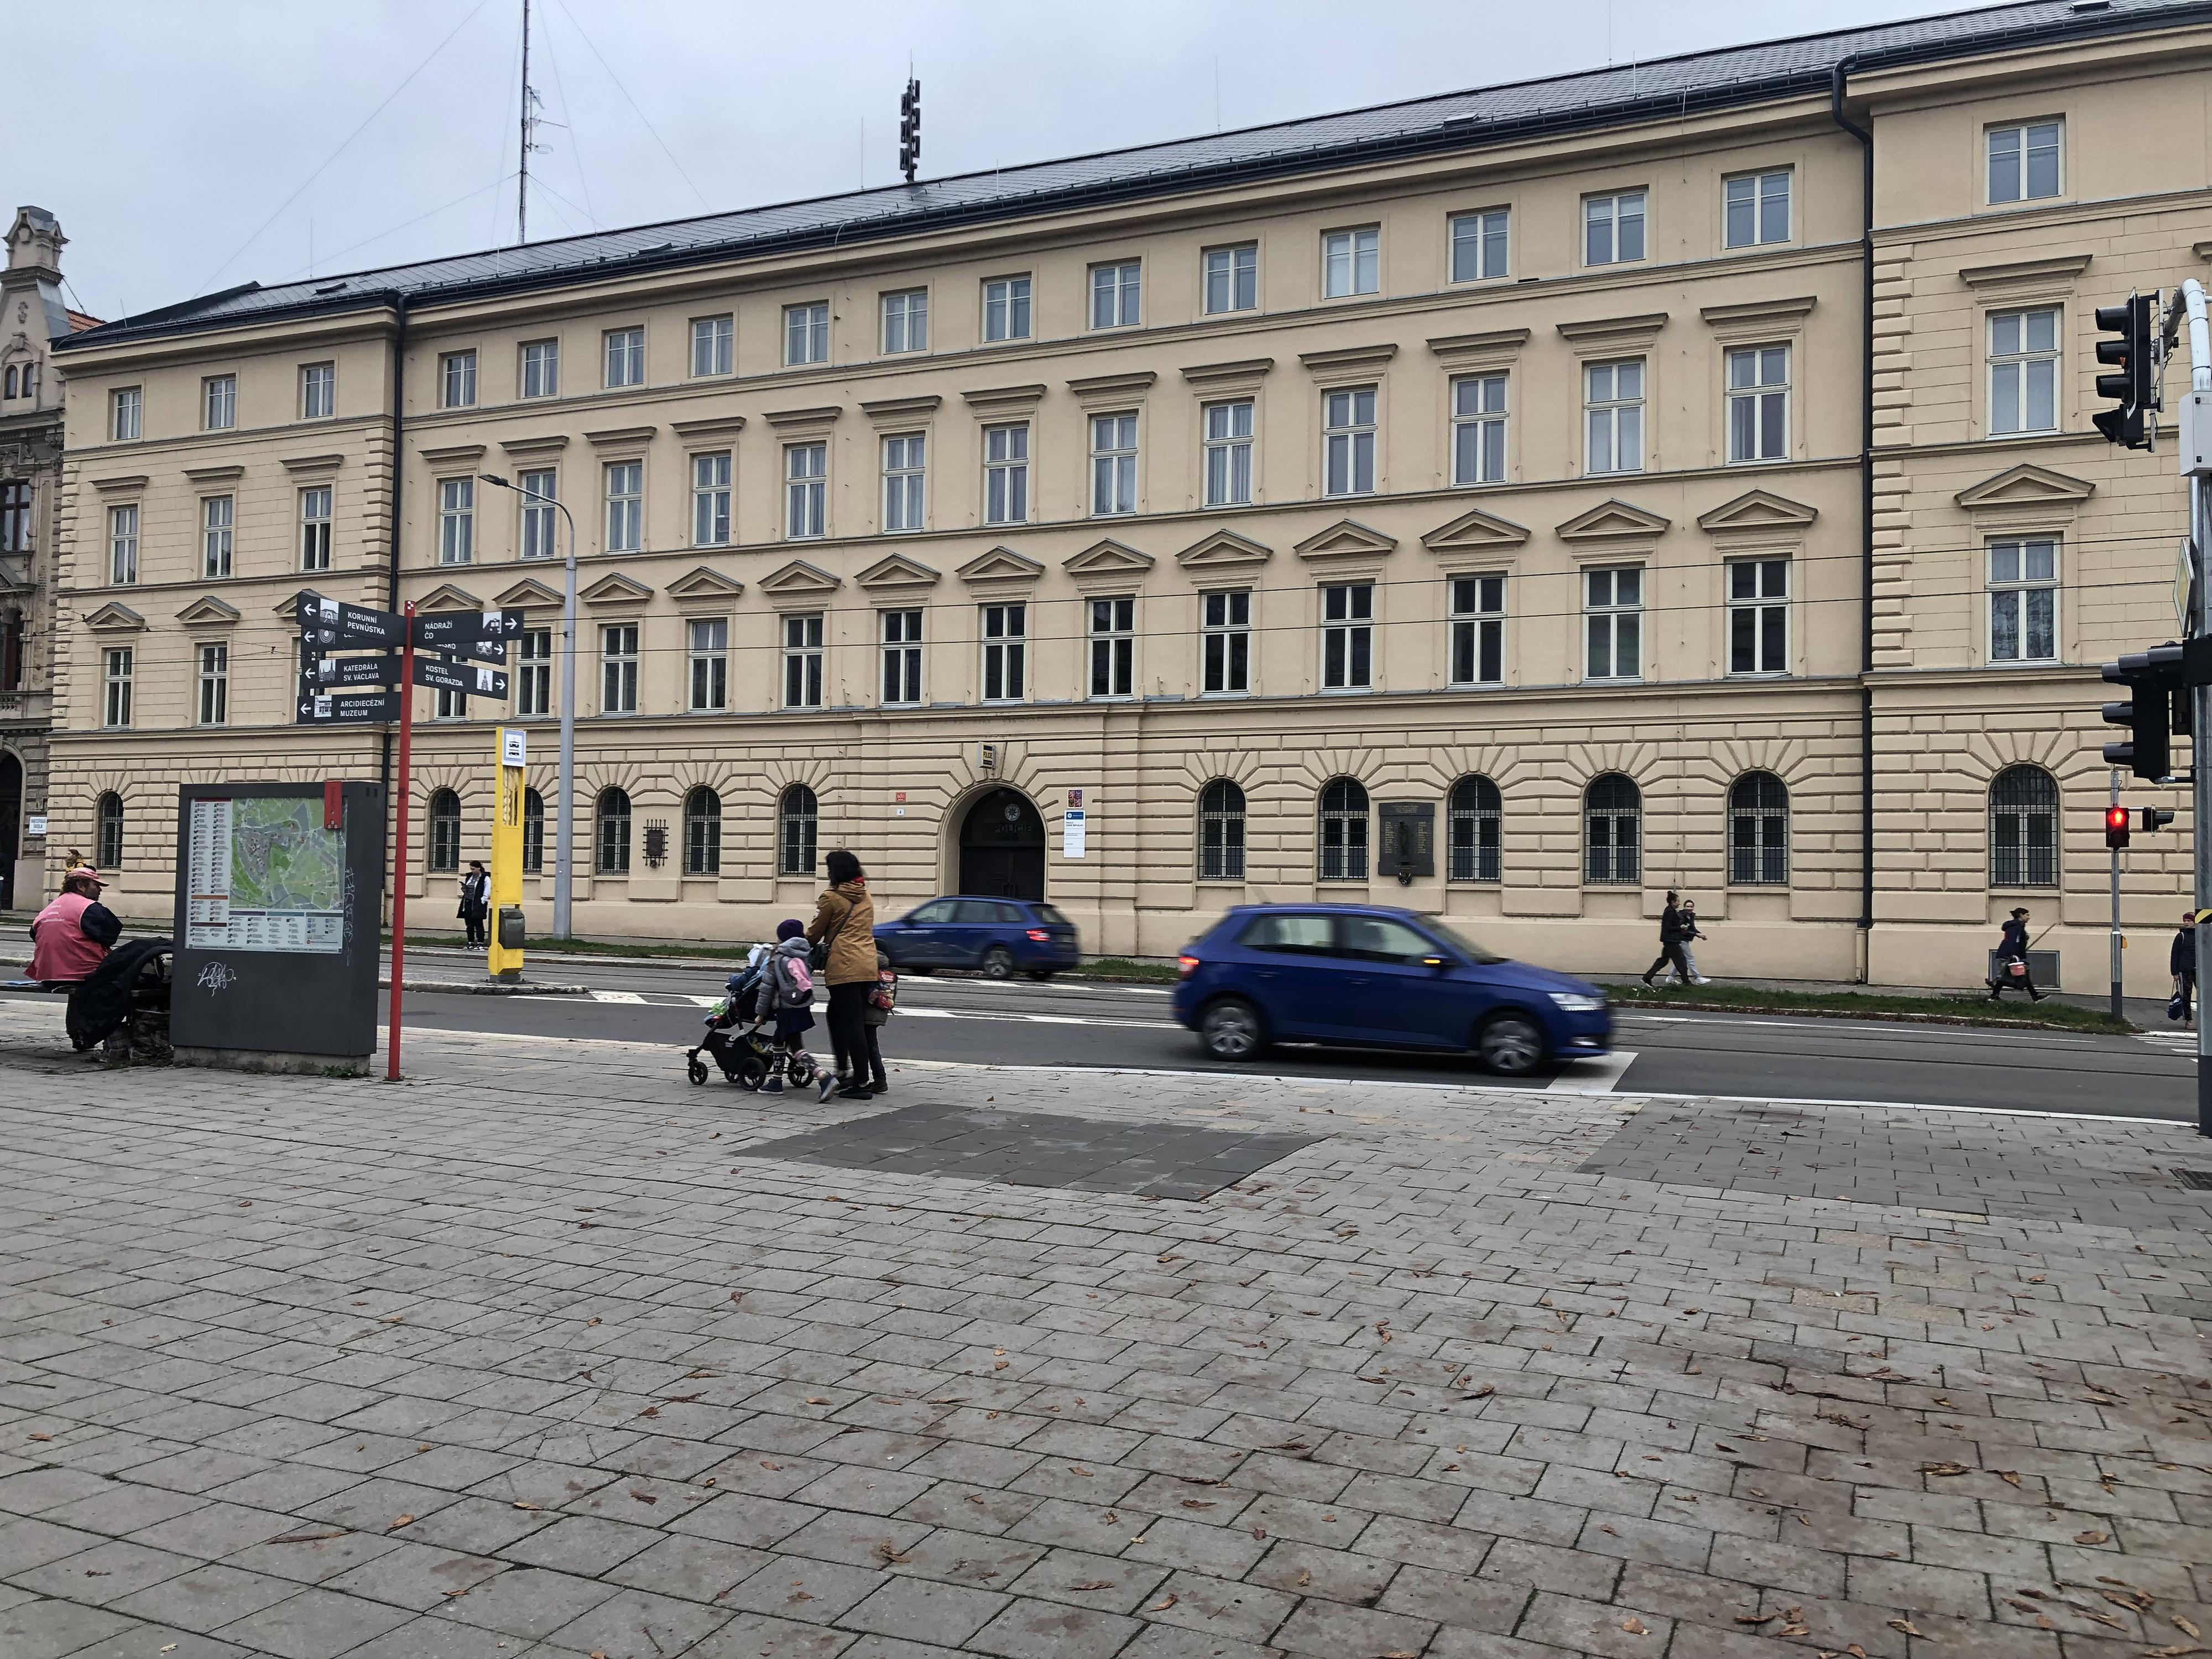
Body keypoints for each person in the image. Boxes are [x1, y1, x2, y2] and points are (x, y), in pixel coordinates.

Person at [807, 849, 878, 1102]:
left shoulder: (831, 898)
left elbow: (815, 933)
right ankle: (846, 1071)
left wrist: (793, 943)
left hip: (845, 965)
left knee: (851, 1023)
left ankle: (861, 1082)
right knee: (838, 1016)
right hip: (867, 963)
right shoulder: (865, 895)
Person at [30, 866, 121, 985]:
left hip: (47, 976)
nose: (100, 890)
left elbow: (34, 934)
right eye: (96, 885)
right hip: (85, 974)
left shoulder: (48, 909)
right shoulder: (89, 908)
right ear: (80, 886)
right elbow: (111, 935)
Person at [758, 920, 818, 1094]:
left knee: (795, 1047)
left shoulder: (778, 957)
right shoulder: (804, 954)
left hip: (786, 1008)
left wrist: (760, 1014)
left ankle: (823, 1076)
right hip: (801, 1006)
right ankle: (776, 1081)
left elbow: (767, 988)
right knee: (782, 1041)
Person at [1989, 906, 2045, 1001]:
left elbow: (2017, 942)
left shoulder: (2018, 926)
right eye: (2027, 915)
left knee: (2025, 978)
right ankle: (1994, 996)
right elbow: (2014, 941)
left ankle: (2035, 997)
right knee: (2019, 982)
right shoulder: (2017, 926)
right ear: (2021, 915)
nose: (2028, 917)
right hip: (2010, 957)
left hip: (2014, 956)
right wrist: (2013, 956)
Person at [862, 946, 897, 1094]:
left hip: (866, 1013)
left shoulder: (869, 969)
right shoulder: (888, 972)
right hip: (881, 1012)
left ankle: (879, 1079)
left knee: (869, 1047)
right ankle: (878, 1078)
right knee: (871, 1045)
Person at [1640, 890, 1692, 988]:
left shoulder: (1670, 911)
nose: (1679, 903)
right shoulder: (1670, 912)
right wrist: (1680, 927)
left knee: (1663, 961)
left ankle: (1647, 978)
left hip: (1670, 940)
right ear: (1673, 902)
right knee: (1681, 961)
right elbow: (1668, 928)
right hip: (1671, 941)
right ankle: (1686, 982)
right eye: (1678, 901)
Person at [1675, 898, 1712, 986]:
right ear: (1684, 907)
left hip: (1685, 939)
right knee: (1690, 958)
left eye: (1691, 907)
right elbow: (1681, 930)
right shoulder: (1681, 916)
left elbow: (1692, 928)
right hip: (1681, 939)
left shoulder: (1691, 916)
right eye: (1688, 906)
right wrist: (1697, 935)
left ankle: (1671, 977)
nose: (1690, 908)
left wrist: (1700, 935)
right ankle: (1697, 978)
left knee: (1681, 959)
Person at [2173, 910, 2199, 1027]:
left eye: (2189, 921)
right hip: (2185, 970)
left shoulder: (2201, 935)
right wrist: (2175, 972)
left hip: (2199, 970)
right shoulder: (2181, 936)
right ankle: (2189, 1021)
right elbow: (2175, 954)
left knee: (2206, 995)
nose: (2187, 923)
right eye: (2185, 921)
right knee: (2186, 996)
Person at [458, 860, 489, 948]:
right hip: (468, 902)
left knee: (478, 923)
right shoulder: (470, 877)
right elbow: (468, 889)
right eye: (471, 869)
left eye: (474, 869)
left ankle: (480, 943)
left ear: (479, 868)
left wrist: (483, 900)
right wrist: (465, 889)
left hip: (478, 903)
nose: (472, 871)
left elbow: (487, 890)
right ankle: (471, 942)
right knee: (469, 924)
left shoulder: (485, 878)